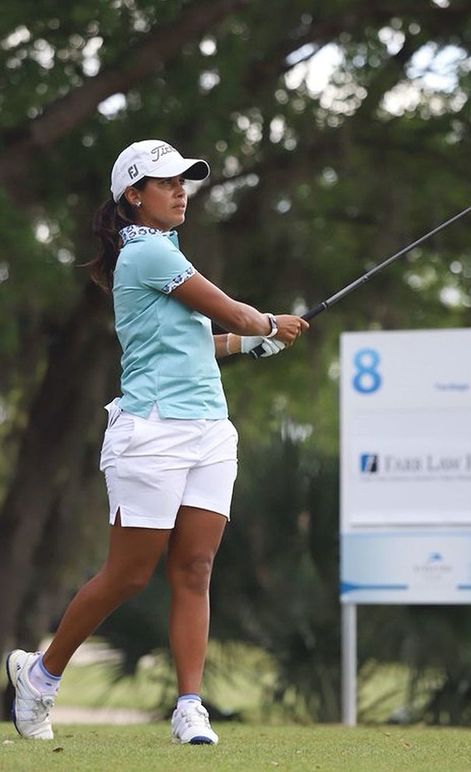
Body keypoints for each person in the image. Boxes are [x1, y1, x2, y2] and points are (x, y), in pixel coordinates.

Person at [6, 139, 309, 745]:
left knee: (195, 569)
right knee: (128, 575)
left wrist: (254, 341)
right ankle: (39, 678)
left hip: (209, 433)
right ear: (133, 196)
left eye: (184, 182)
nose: (181, 191)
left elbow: (204, 339)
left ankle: (189, 707)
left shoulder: (168, 252)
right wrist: (267, 325)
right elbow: (232, 312)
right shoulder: (142, 252)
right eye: (166, 182)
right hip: (151, 433)